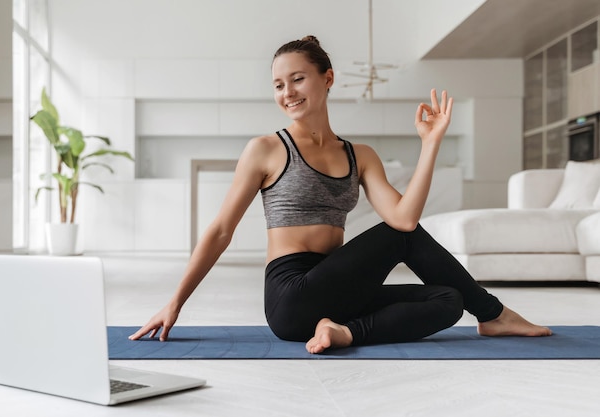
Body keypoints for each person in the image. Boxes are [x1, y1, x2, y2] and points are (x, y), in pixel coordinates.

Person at [130, 36, 552, 353]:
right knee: (397, 235)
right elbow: (221, 230)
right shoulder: (266, 149)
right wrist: (175, 303)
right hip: (291, 297)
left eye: (297, 79)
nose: (287, 92)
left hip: (338, 294)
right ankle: (495, 314)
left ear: (327, 78)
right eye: (278, 84)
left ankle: (344, 333)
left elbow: (404, 215)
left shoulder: (360, 155)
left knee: (447, 300)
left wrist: (430, 143)